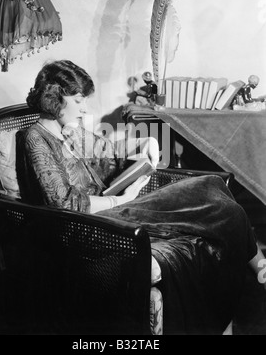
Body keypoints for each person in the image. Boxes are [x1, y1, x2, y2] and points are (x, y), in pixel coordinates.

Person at [21, 60, 265, 334]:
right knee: (207, 185)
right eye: (78, 101)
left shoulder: (71, 131)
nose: (85, 108)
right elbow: (65, 204)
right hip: (89, 226)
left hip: (112, 212)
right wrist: (123, 200)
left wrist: (142, 142)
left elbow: (109, 149)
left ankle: (257, 263)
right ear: (55, 98)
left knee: (213, 185)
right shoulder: (36, 139)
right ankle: (256, 261)